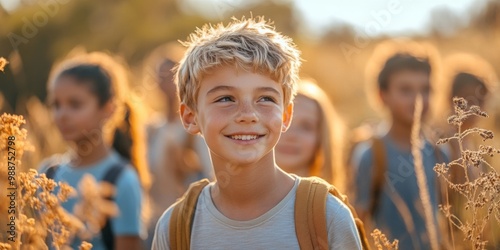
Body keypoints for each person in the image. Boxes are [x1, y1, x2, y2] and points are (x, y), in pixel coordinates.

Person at [152, 17, 362, 249]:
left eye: (265, 99)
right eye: (225, 99)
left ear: (285, 115)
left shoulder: (327, 217)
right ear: (190, 117)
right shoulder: (176, 228)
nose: (248, 114)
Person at [41, 51, 149, 250]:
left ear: (108, 109)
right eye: (56, 105)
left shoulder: (121, 180)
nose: (61, 115)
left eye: (75, 104)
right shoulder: (47, 174)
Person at [351, 47, 447, 249]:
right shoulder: (371, 155)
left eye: (426, 90)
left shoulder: (441, 154)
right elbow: (357, 224)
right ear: (382, 95)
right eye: (405, 90)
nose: (418, 99)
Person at [142, 47, 212, 249]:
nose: (165, 83)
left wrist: (185, 163)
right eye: (160, 77)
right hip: (153, 222)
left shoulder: (194, 128)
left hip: (186, 223)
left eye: (171, 75)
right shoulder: (151, 129)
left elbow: (210, 176)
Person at [275, 78, 346, 191]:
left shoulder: (331, 206)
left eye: (306, 126)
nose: (291, 135)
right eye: (283, 121)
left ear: (322, 136)